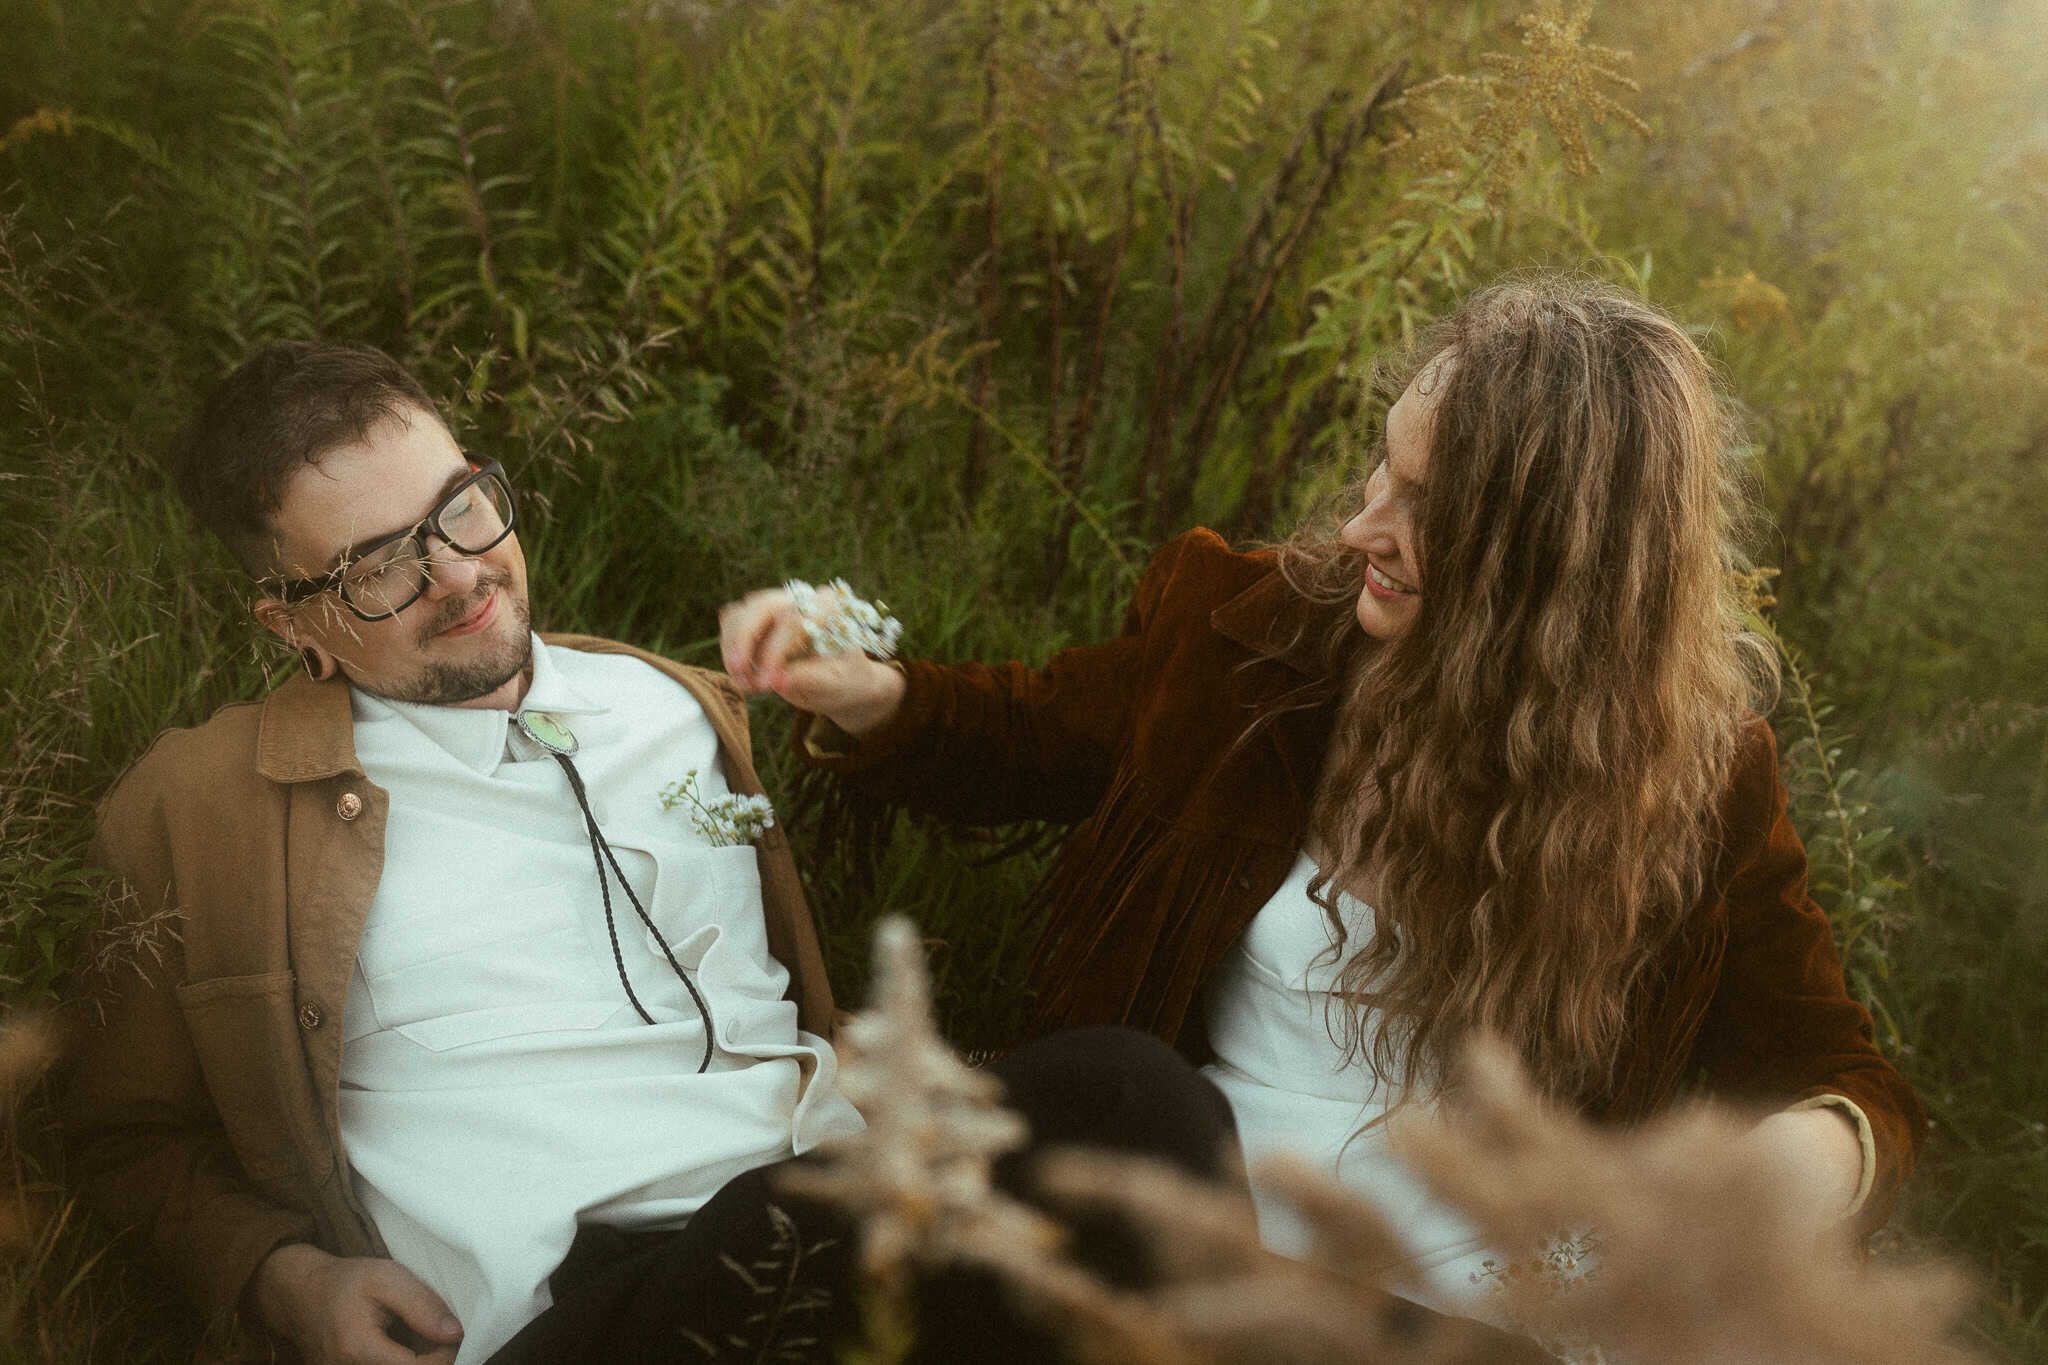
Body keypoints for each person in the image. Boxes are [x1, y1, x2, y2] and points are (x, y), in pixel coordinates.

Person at [719, 274, 1926, 1314]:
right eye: (1382, 468)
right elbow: (1035, 732)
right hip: (1183, 1199)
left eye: (1426, 510)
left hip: (1471, 1288)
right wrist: (866, 692)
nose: (1359, 528)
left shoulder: (1695, 782)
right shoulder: (1245, 634)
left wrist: (1787, 1166)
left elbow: (1842, 1080)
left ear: (1555, 566)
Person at [62, 341, 1242, 1365]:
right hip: (588, 1301)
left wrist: (865, 701)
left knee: (1136, 1094)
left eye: (460, 507)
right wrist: (285, 1279)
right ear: (293, 621)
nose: (459, 574)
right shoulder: (205, 806)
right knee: (806, 1237)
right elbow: (118, 1132)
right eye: (378, 567)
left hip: (826, 1206)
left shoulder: (670, 705)